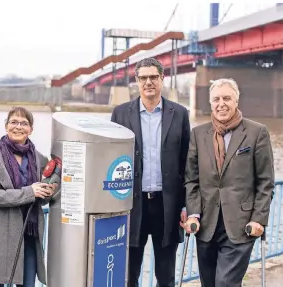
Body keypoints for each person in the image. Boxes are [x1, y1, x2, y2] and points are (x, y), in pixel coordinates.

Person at [184, 78, 274, 286]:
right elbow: (191, 179)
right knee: (209, 283)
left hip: (241, 226)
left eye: (227, 98)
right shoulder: (198, 134)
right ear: (210, 102)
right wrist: (193, 214)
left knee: (226, 283)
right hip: (206, 225)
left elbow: (265, 181)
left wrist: (259, 219)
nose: (221, 103)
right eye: (216, 99)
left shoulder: (256, 132)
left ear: (236, 101)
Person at [111, 57, 191, 287]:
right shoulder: (120, 114)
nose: (148, 82)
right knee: (129, 274)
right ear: (136, 81)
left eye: (153, 77)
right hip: (131, 205)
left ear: (162, 79)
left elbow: (187, 163)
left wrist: (186, 205)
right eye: (143, 77)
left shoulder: (180, 114)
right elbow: (112, 160)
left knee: (166, 276)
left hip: (167, 206)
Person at [0, 107, 57, 287]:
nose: (18, 127)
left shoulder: (38, 158)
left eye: (24, 123)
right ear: (6, 126)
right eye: (14, 122)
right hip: (0, 235)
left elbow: (41, 194)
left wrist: (47, 192)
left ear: (31, 129)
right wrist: (30, 192)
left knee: (27, 284)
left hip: (29, 234)